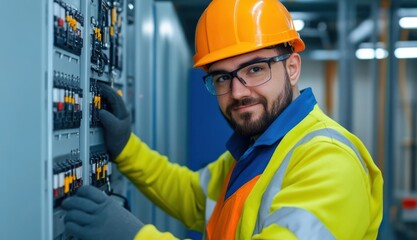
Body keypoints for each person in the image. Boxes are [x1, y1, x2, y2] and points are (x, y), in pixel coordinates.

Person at [61, 0, 383, 239]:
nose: (239, 92)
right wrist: (126, 148)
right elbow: (190, 195)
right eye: (222, 78)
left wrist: (136, 237)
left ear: (292, 67)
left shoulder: (328, 161)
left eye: (255, 68)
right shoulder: (256, 152)